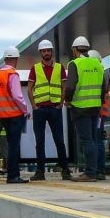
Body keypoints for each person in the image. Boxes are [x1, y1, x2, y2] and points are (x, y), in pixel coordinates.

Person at [27, 40, 72, 181]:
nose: (46, 53)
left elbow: (64, 87)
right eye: (44, 51)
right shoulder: (35, 68)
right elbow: (29, 88)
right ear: (40, 53)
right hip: (39, 109)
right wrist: (33, 106)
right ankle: (40, 171)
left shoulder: (60, 67)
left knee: (59, 139)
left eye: (48, 50)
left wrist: (61, 103)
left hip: (54, 108)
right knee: (39, 141)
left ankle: (65, 170)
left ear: (52, 52)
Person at [64, 36, 106, 182]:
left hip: (80, 107)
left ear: (75, 49)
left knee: (87, 140)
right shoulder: (98, 64)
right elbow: (103, 87)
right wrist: (99, 103)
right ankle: (94, 171)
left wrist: (67, 100)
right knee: (93, 139)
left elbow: (70, 86)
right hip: (95, 107)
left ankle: (90, 173)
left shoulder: (75, 63)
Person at [0, 47, 31, 183]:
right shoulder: (12, 74)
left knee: (10, 144)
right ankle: (13, 176)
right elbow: (17, 95)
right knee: (14, 145)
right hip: (14, 114)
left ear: (5, 58)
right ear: (15, 59)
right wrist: (25, 110)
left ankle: (12, 174)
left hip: (3, 116)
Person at [88, 50, 110, 180]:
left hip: (97, 111)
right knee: (97, 140)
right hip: (99, 111)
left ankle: (99, 169)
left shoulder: (99, 72)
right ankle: (99, 169)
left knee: (96, 140)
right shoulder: (102, 71)